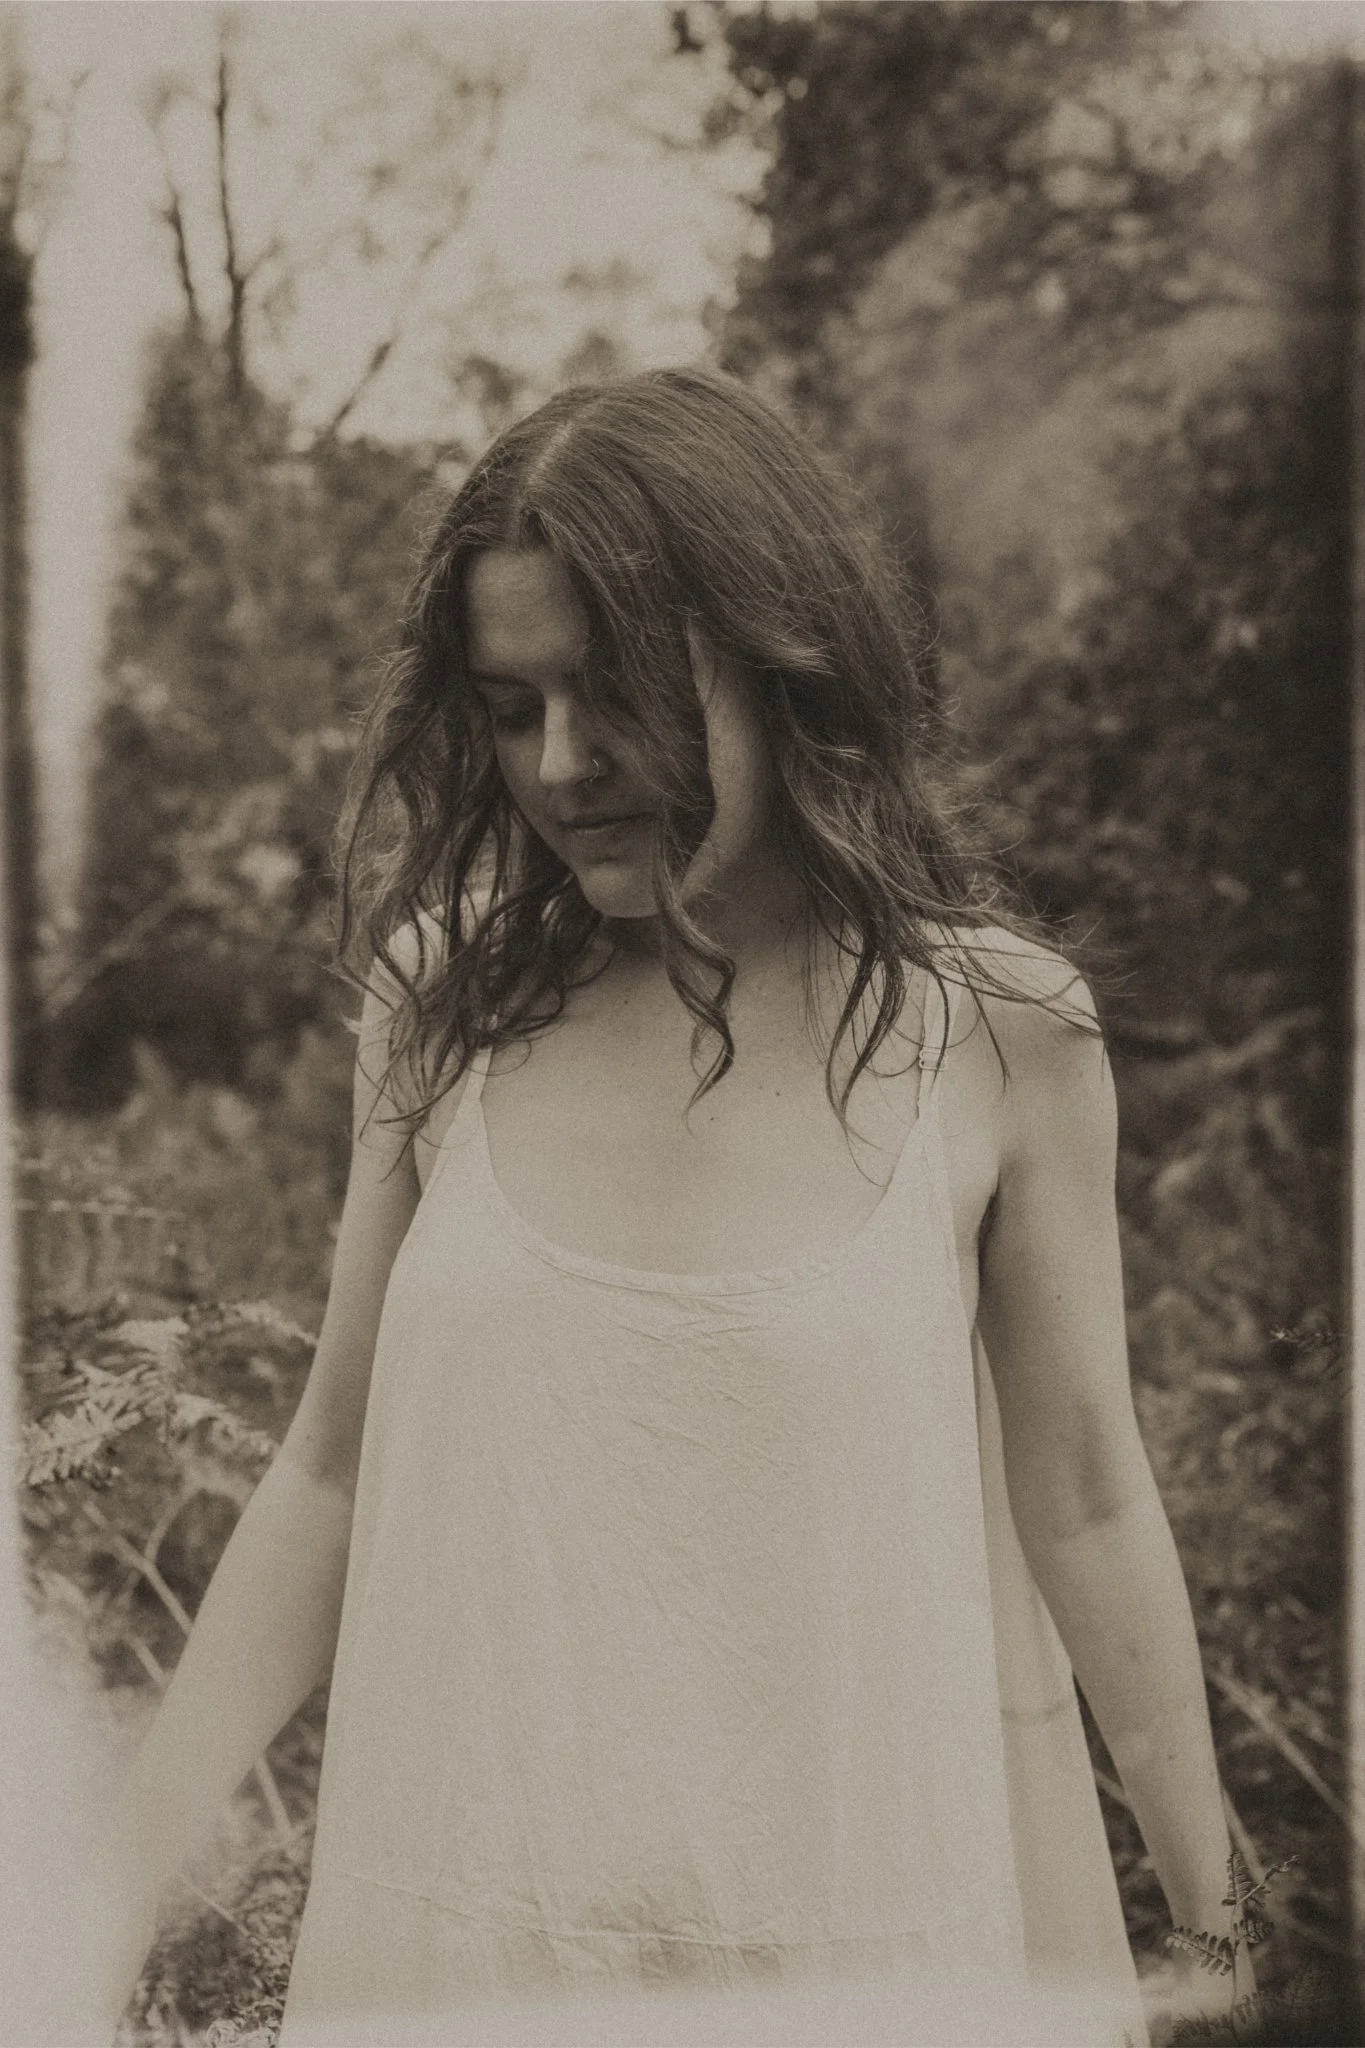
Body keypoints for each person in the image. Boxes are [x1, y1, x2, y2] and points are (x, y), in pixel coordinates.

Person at [82, 368, 1243, 2046]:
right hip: (467, 1951)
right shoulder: (443, 1007)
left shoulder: (1000, 1034)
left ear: (778, 659)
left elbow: (1089, 1503)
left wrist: (1226, 1925)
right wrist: (113, 1876)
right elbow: (330, 1476)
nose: (563, 765)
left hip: (852, 1959)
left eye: (616, 691)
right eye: (510, 707)